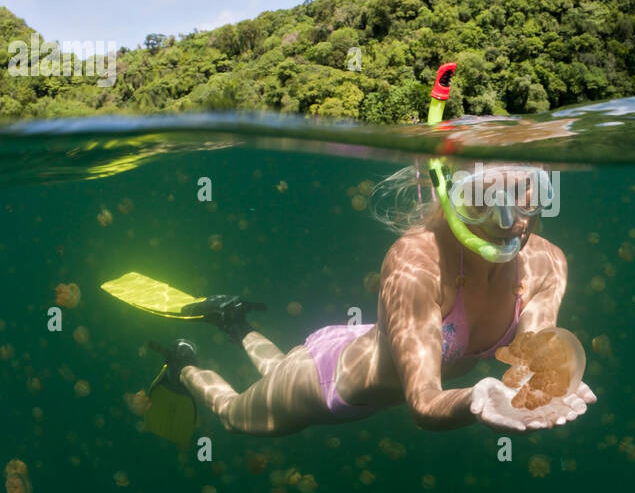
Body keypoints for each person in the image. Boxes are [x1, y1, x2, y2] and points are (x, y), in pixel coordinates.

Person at [160, 160, 596, 435]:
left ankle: (234, 321)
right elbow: (424, 402)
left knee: (276, 368)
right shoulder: (417, 260)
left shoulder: (547, 263)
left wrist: (541, 384)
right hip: (329, 380)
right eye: (482, 198)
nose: (508, 220)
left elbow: (530, 359)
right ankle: (184, 369)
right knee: (235, 414)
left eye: (527, 192)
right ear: (450, 196)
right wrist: (473, 398)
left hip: (376, 338)